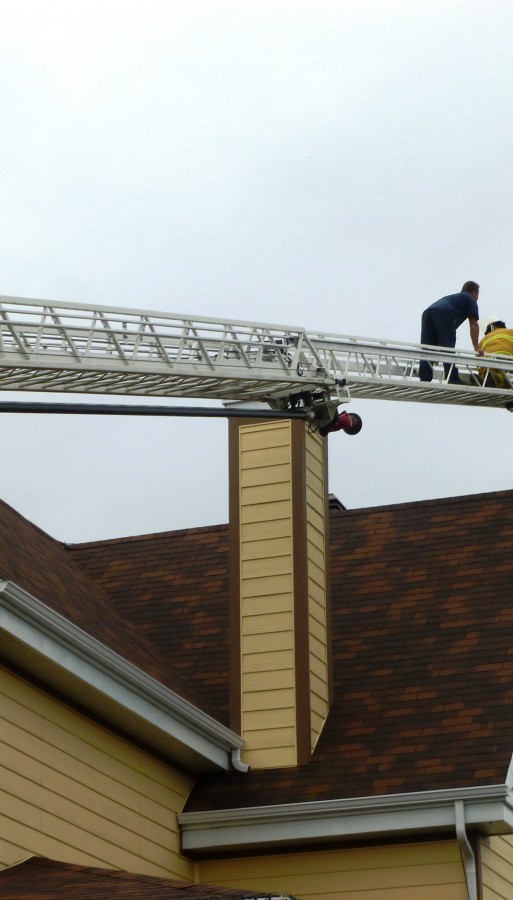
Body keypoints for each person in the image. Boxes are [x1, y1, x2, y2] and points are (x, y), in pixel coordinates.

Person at [419, 281, 483, 384]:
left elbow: (439, 335)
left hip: (428, 312)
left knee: (426, 347)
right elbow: (473, 324)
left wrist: (436, 352)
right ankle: (452, 378)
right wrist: (476, 347)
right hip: (444, 313)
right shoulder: (470, 299)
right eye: (478, 294)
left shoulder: (455, 299)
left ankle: (424, 378)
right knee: (447, 346)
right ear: (474, 292)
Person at [478, 315, 513, 388]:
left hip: (489, 361)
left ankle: (484, 379)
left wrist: (480, 373)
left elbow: (478, 361)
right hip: (509, 358)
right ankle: (500, 379)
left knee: (487, 370)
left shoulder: (483, 340)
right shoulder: (510, 332)